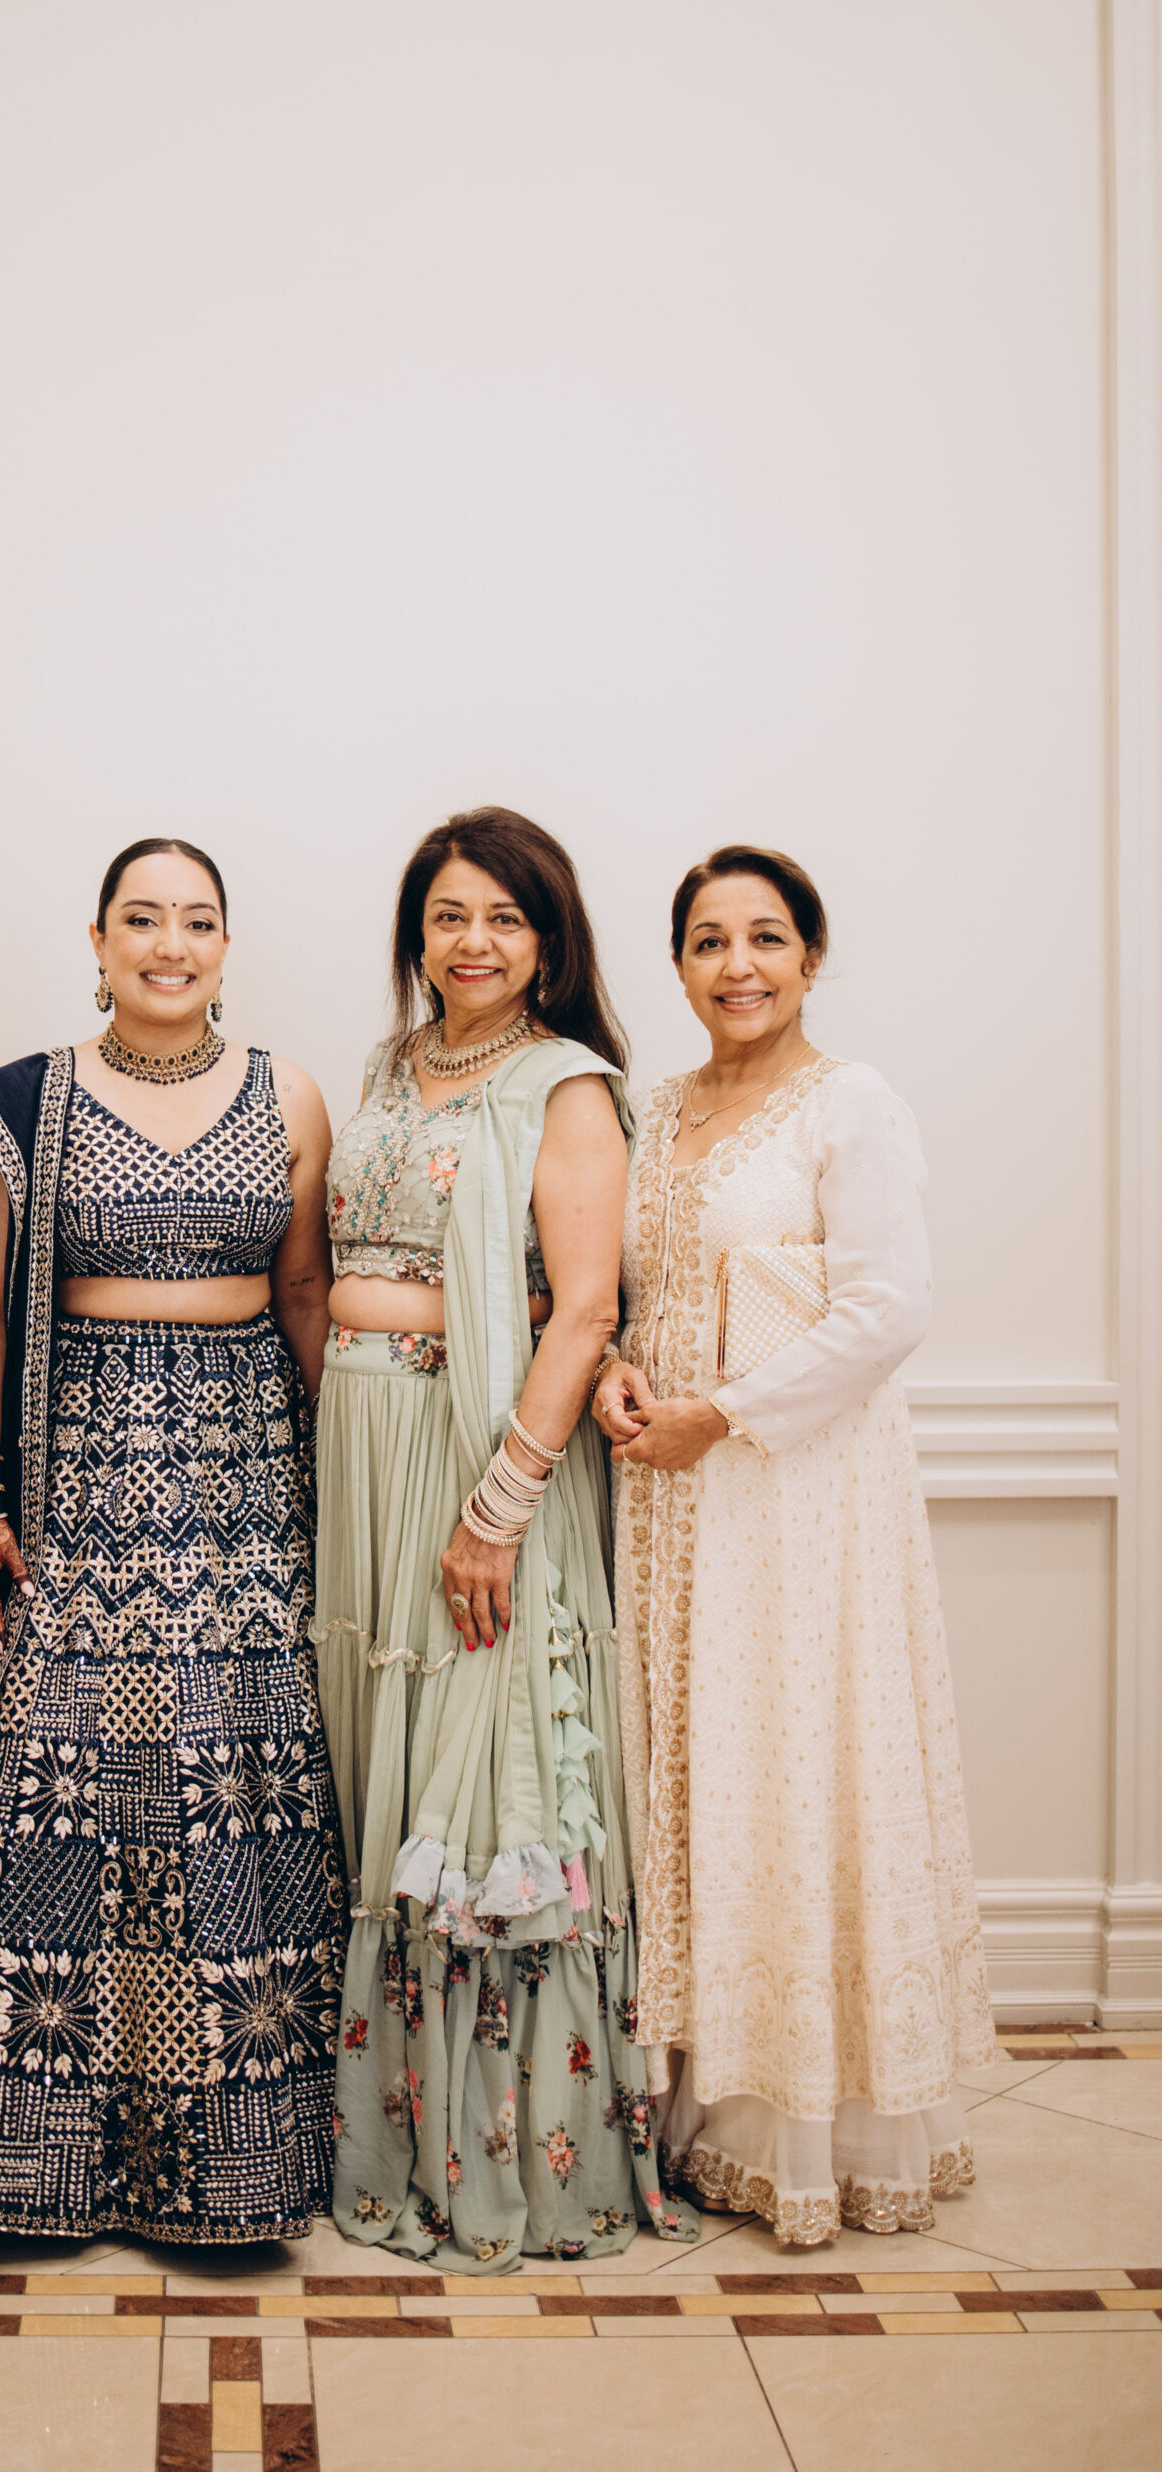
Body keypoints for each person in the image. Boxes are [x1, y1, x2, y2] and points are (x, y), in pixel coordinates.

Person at [0, 839, 347, 2247]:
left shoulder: (290, 1094)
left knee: (233, 1792)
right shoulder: (22, 1099)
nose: (170, 944)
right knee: (56, 1794)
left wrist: (342, 1489)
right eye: (143, 919)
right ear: (100, 939)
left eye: (198, 921)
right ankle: (19, 2165)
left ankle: (233, 2166)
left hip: (246, 1478)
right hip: (81, 1476)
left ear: (226, 946)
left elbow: (305, 1291)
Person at [597, 845, 991, 2245]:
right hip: (663, 1497)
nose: (739, 966)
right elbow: (625, 1293)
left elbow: (890, 1307)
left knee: (786, 1766)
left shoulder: (851, 1103)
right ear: (677, 965)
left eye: (767, 937)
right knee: (683, 1769)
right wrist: (619, 1377)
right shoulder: (653, 1111)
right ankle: (692, 2104)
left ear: (811, 957)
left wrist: (725, 1414)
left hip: (794, 1503)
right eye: (710, 941)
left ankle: (804, 2122)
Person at [316, 807, 691, 2269]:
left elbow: (584, 1310)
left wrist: (499, 1506)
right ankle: (383, 2125)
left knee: (479, 1772)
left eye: (505, 918)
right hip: (365, 1449)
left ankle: (503, 2153)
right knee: (387, 1754)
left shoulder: (567, 1087)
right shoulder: (388, 1067)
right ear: (417, 931)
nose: (473, 942)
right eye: (449, 914)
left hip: (478, 1457)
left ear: (549, 939)